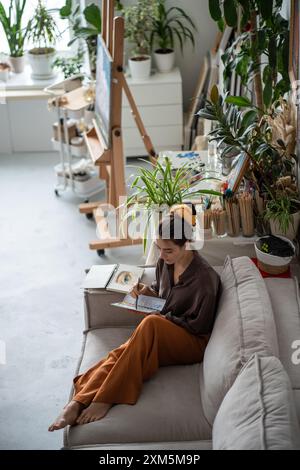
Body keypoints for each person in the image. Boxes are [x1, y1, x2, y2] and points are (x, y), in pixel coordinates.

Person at [48, 211, 221, 431]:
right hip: (165, 329)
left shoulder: (205, 280)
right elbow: (163, 293)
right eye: (158, 248)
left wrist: (161, 317)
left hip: (193, 340)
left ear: (187, 244)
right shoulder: (165, 262)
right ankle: (77, 402)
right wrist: (147, 292)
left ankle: (106, 398)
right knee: (122, 352)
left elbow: (200, 326)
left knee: (150, 324)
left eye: (168, 250)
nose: (161, 255)